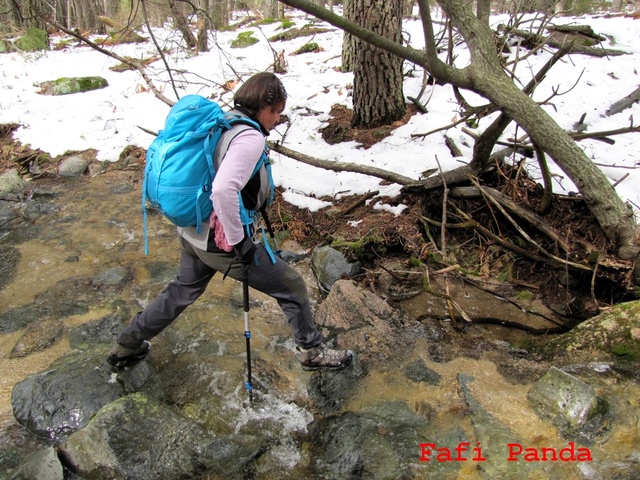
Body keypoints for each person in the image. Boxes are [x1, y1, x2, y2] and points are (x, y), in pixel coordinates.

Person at [108, 72, 353, 372]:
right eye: (275, 111)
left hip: (192, 231)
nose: (277, 119)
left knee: (181, 291)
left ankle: (127, 343)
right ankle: (312, 353)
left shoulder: (224, 121)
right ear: (263, 105)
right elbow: (224, 189)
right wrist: (240, 243)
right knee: (292, 286)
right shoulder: (248, 138)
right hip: (220, 240)